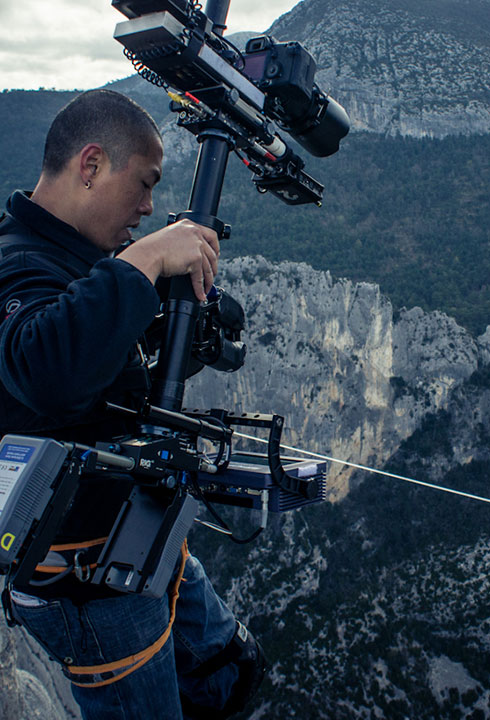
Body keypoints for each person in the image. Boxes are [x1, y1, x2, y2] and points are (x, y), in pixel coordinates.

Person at [0, 90, 263, 718]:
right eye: (143, 185)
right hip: (85, 586)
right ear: (90, 166)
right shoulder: (16, 263)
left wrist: (167, 310)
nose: (149, 208)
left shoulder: (75, 264)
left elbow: (97, 365)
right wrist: (142, 261)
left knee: (232, 678)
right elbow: (49, 370)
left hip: (139, 539)